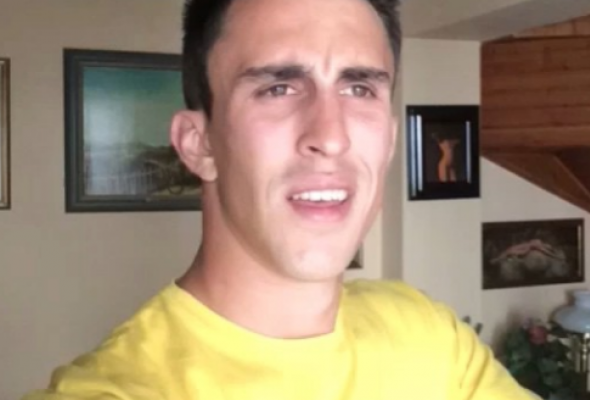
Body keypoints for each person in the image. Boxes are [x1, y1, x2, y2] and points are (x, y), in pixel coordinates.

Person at [23, 0, 539, 399]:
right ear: (199, 145)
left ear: (388, 141)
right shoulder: (122, 389)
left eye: (359, 89)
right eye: (278, 88)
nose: (330, 136)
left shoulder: (429, 337)